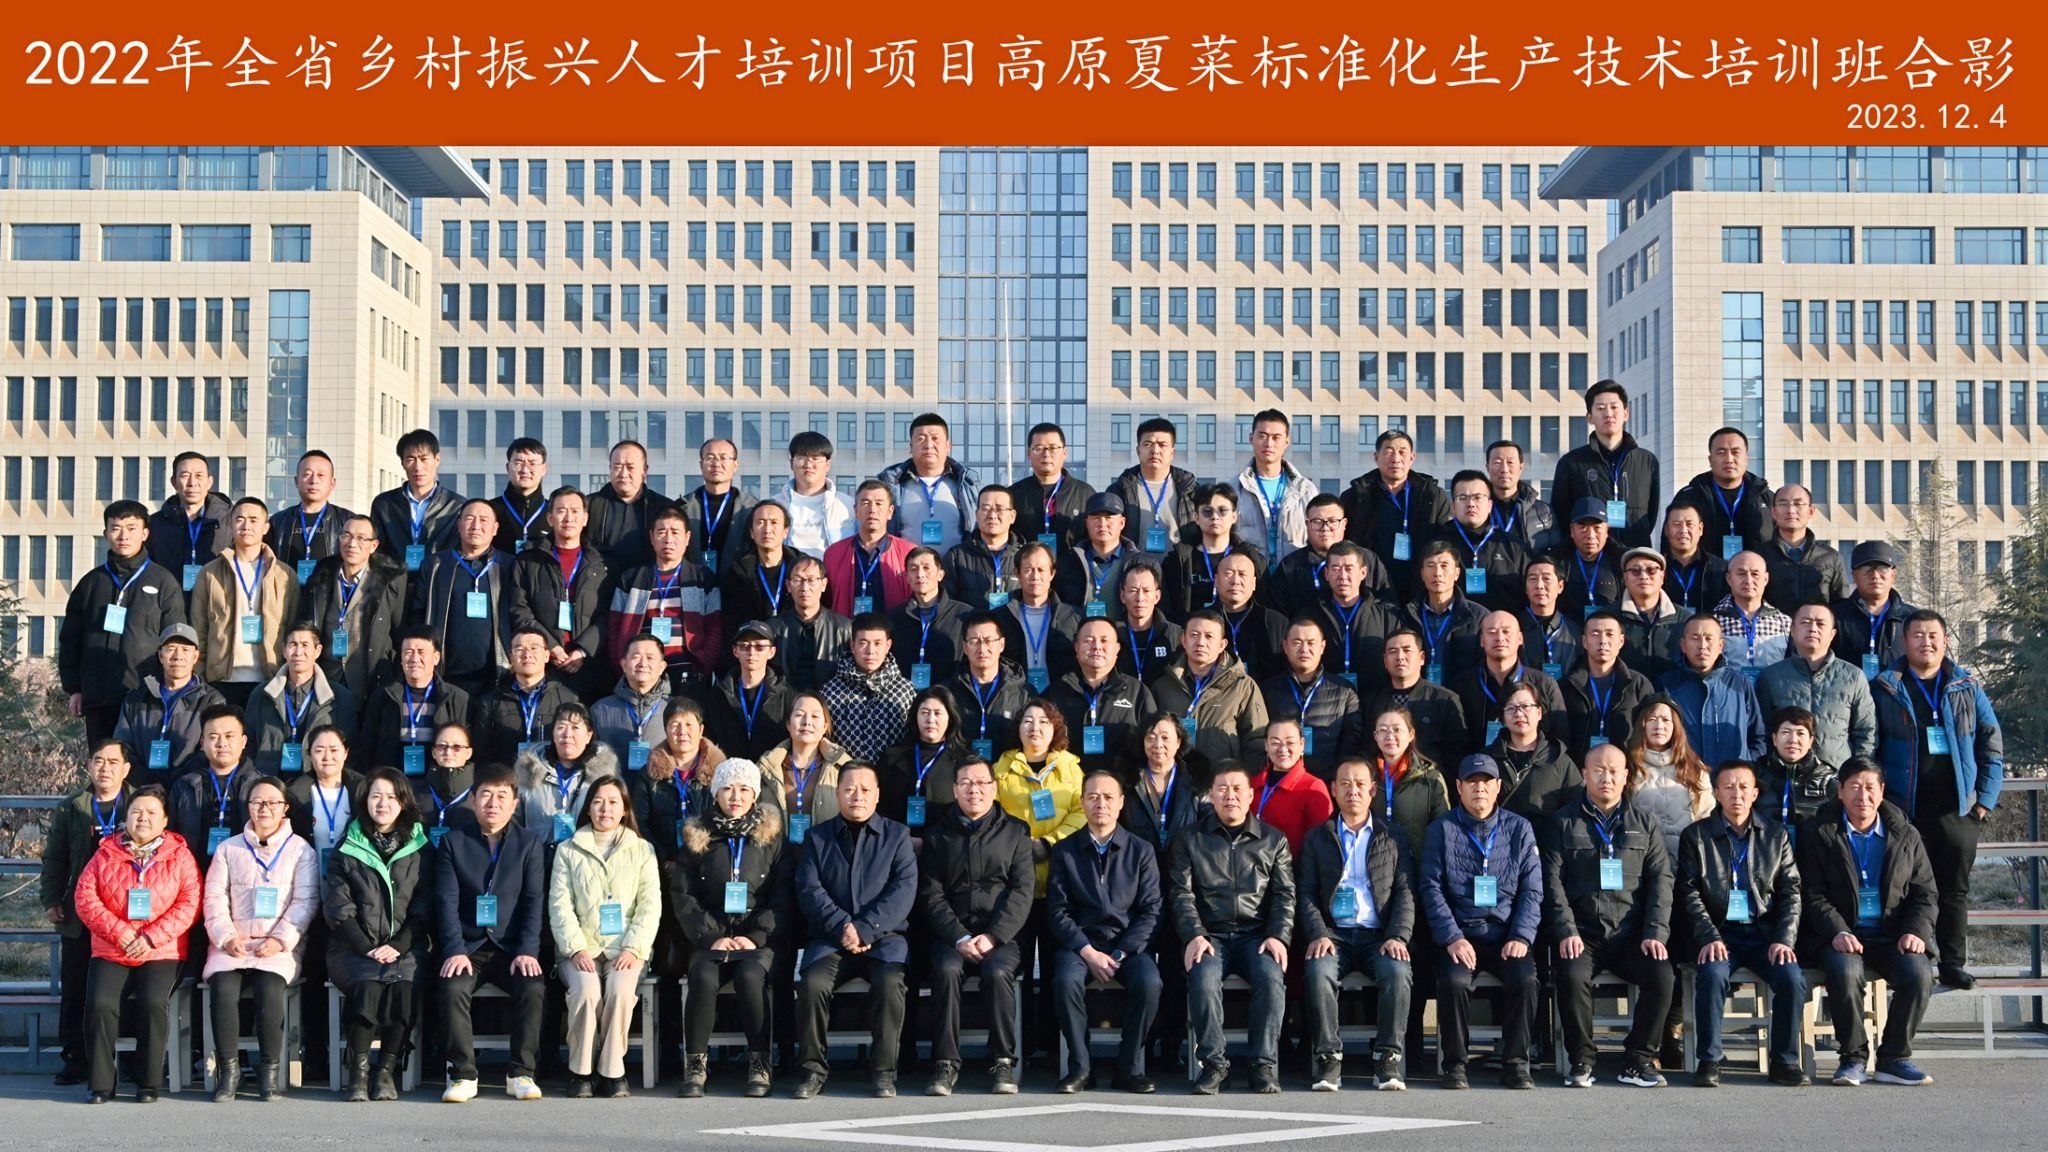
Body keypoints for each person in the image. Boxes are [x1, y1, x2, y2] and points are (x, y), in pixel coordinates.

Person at [1871, 609, 2003, 989]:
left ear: (1945, 641)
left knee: (1953, 890)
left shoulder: (1966, 687)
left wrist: (1984, 801)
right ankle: (1905, 963)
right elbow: (1872, 746)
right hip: (1902, 809)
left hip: (1957, 809)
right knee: (1901, 887)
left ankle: (1952, 963)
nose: (1925, 642)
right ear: (1904, 641)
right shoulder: (1886, 687)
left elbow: (1991, 744)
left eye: (1933, 636)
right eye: (1917, 635)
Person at [1796, 758, 1939, 1087]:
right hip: (1841, 935)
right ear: (1840, 791)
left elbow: (1925, 893)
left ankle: (1894, 1058)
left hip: (1892, 934)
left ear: (1882, 791)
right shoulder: (1818, 832)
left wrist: (1915, 931)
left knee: (1919, 975)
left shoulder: (1905, 834)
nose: (1863, 795)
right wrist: (1837, 931)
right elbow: (1811, 893)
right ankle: (1853, 1058)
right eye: (1854, 787)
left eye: (1870, 787)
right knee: (1846, 972)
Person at [1543, 743, 1676, 1089]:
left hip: (1631, 935)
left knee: (1662, 976)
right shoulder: (1563, 822)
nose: (1607, 777)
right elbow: (1552, 883)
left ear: (1626, 776)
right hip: (1583, 934)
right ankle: (1582, 1059)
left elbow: (1661, 882)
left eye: (1614, 771)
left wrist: (1655, 933)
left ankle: (1638, 1059)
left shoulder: (1644, 824)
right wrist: (1566, 931)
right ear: (1584, 774)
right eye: (1599, 770)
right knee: (1571, 974)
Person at [1677, 759, 1809, 1087]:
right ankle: (1709, 1060)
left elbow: (1791, 891)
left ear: (1755, 794)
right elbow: (1689, 893)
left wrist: (1784, 939)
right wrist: (1708, 937)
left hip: (1765, 933)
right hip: (1720, 933)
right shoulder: (1696, 836)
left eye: (1744, 787)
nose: (1737, 794)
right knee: (1712, 974)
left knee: (1792, 979)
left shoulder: (1776, 835)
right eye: (1729, 787)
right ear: (1717, 793)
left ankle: (1785, 1062)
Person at [792, 763, 919, 1099]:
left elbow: (903, 891)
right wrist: (842, 927)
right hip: (830, 939)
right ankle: (812, 1069)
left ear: (877, 795)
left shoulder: (897, 836)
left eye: (865, 789)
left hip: (884, 939)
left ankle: (883, 1071)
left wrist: (864, 929)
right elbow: (809, 889)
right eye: (849, 789)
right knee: (812, 985)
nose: (857, 796)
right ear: (837, 794)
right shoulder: (817, 838)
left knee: (891, 983)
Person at [1168, 763, 1295, 1094]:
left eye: (1238, 789)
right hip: (1211, 936)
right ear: (1211, 795)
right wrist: (1194, 934)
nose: (1230, 796)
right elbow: (1181, 894)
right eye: (1222, 789)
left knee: (1271, 978)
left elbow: (1284, 895)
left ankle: (1262, 1064)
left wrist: (1278, 935)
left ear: (1251, 795)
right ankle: (1214, 1065)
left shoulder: (1273, 840)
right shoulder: (1190, 839)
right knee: (1204, 978)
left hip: (1256, 936)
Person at [1418, 754, 1543, 1090]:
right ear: (1458, 787)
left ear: (1498, 786)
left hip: (1506, 935)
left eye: (1487, 782)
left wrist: (1521, 936)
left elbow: (1532, 890)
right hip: (1461, 935)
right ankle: (1455, 1065)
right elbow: (1431, 889)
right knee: (1454, 981)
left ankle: (1515, 1063)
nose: (1480, 789)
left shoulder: (1519, 829)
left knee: (1526, 979)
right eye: (1472, 782)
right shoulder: (1441, 829)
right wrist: (1452, 937)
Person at [75, 784, 201, 1104]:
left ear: (165, 820)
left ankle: (148, 1082)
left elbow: (190, 903)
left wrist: (150, 937)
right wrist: (120, 933)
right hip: (112, 947)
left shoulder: (180, 856)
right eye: (136, 812)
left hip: (161, 950)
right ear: (126, 817)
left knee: (151, 1001)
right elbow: (86, 898)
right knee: (100, 1004)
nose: (142, 818)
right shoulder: (105, 853)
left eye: (151, 813)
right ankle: (101, 1083)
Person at [670, 757, 788, 1098]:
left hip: (756, 939)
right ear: (715, 794)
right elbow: (684, 895)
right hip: (711, 938)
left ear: (755, 795)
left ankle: (759, 1062)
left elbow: (782, 894)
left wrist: (755, 936)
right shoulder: (697, 837)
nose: (736, 796)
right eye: (728, 788)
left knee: (750, 977)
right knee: (703, 977)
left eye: (744, 789)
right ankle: (695, 1065)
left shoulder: (771, 838)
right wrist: (712, 937)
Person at [920, 756, 1036, 1095]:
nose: (975, 790)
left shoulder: (1015, 831)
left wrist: (994, 936)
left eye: (982, 782)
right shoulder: (937, 835)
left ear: (994, 788)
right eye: (966, 783)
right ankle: (945, 1063)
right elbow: (931, 895)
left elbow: (1022, 890)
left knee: (998, 973)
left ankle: (1002, 1061)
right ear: (955, 790)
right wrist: (959, 936)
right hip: (952, 935)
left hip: (1003, 937)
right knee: (946, 970)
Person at [1298, 758, 1416, 1092]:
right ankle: (1328, 1057)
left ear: (1372, 790)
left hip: (1378, 935)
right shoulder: (1317, 838)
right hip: (1333, 935)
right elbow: (1305, 892)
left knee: (1398, 972)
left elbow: (1406, 892)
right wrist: (1318, 933)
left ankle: (1387, 1056)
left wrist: (1397, 936)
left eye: (1360, 784)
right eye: (1345, 784)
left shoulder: (1392, 837)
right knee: (1318, 971)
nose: (1353, 791)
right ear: (1333, 790)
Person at [202, 774, 321, 1101]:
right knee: (223, 989)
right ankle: (230, 1071)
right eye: (257, 802)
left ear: (285, 808)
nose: (264, 808)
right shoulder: (229, 848)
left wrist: (280, 940)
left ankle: (269, 1071)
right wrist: (226, 937)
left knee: (269, 989)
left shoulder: (300, 850)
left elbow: (305, 901)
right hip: (233, 944)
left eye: (272, 802)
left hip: (277, 946)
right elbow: (214, 898)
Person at [435, 763, 550, 1103]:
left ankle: (521, 1073)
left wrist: (527, 950)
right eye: (485, 794)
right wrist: (455, 949)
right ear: (472, 800)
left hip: (511, 947)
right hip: (469, 947)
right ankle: (462, 1074)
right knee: (452, 987)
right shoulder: (453, 842)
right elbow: (446, 901)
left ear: (515, 803)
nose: (493, 803)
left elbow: (534, 902)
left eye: (502, 796)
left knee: (533, 987)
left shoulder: (529, 844)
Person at [1047, 769, 1164, 1093]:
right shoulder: (1065, 851)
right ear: (1082, 802)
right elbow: (1058, 911)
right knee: (1064, 981)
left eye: (1109, 797)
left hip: (1127, 946)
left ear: (1121, 802)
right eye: (1093, 797)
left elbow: (1151, 911)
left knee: (1150, 982)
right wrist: (1088, 952)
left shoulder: (1141, 850)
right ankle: (1081, 1068)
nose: (1101, 804)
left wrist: (1121, 953)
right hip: (1081, 946)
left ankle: (1129, 1067)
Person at [548, 776, 662, 1098]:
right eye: (598, 802)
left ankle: (613, 1071)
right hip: (580, 949)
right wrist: (575, 948)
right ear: (588, 808)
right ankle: (580, 1071)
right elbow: (559, 905)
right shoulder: (568, 849)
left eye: (613, 802)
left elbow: (650, 905)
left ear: (625, 809)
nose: (605, 809)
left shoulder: (642, 850)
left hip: (626, 949)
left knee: (620, 990)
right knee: (585, 990)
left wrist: (634, 948)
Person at [323, 767, 431, 1102]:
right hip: (352, 947)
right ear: (365, 801)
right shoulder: (347, 847)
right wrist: (367, 947)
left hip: (405, 947)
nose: (383, 803)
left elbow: (425, 906)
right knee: (368, 987)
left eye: (391, 797)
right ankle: (358, 1074)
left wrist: (398, 945)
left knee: (402, 987)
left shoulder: (420, 846)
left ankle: (386, 1070)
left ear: (403, 802)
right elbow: (338, 906)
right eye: (376, 796)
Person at [993, 702, 1088, 1060]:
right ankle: (1020, 1045)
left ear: (1056, 728)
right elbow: (993, 815)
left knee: (1053, 967)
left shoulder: (1071, 768)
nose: (1035, 727)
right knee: (1013, 966)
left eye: (1044, 721)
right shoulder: (1002, 768)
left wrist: (1050, 842)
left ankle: (1052, 1047)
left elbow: (1082, 812)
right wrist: (1021, 847)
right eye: (1028, 721)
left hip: (1060, 883)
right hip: (1015, 885)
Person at [42, 739, 134, 1086]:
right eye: (98, 761)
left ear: (126, 769)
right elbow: (55, 858)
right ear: (88, 766)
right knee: (75, 988)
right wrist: (51, 898)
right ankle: (75, 1057)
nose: (105, 768)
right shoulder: (72, 807)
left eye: (113, 762)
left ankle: (127, 1059)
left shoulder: (139, 804)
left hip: (126, 913)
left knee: (122, 989)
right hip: (81, 913)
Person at [62, 500, 189, 743]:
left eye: (131, 528)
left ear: (145, 533)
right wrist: (74, 688)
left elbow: (175, 641)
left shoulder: (163, 581)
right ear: (105, 534)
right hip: (99, 696)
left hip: (147, 697)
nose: (123, 536)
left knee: (139, 763)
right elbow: (70, 639)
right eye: (116, 528)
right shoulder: (91, 583)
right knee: (103, 761)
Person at [602, 504, 724, 694]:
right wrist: (621, 662)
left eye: (675, 532)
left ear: (687, 538)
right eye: (661, 532)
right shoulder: (632, 578)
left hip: (688, 672)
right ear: (652, 537)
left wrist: (704, 663)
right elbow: (614, 627)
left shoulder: (702, 578)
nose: (668, 539)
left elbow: (714, 627)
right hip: (643, 673)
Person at [191, 496, 300, 707]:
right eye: (239, 519)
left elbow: (292, 626)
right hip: (221, 680)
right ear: (231, 525)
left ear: (265, 527)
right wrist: (201, 675)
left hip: (270, 679)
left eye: (253, 520)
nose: (246, 525)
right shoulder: (210, 573)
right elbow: (199, 628)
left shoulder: (284, 575)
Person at [509, 487, 611, 701]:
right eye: (561, 511)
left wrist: (582, 650)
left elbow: (607, 615)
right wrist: (550, 646)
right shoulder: (528, 561)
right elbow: (520, 609)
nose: (568, 518)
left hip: (590, 667)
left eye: (575, 511)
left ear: (585, 518)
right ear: (550, 518)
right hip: (543, 664)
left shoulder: (601, 564)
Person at [409, 499, 512, 700]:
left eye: (483, 520)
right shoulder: (435, 565)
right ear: (459, 525)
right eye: (469, 519)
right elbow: (417, 616)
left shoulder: (509, 566)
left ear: (495, 528)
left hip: (496, 677)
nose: (476, 526)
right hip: (446, 676)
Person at [1756, 602, 1879, 770]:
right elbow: (1761, 731)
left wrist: (1856, 772)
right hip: (1785, 776)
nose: (1813, 629)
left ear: (1833, 634)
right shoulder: (1771, 676)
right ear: (1792, 630)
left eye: (1820, 624)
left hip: (1837, 775)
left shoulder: (1853, 677)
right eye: (1805, 622)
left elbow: (1866, 731)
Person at [298, 514, 405, 703]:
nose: (352, 543)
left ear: (373, 546)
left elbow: (399, 632)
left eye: (361, 538)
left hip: (369, 678)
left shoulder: (390, 581)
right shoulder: (322, 574)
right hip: (327, 676)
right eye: (346, 535)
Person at [1150, 611, 1269, 778]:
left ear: (1222, 644)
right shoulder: (1163, 687)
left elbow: (1256, 741)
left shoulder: (1242, 687)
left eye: (1209, 636)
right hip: (1174, 783)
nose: (1200, 642)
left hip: (1222, 784)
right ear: (1183, 640)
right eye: (1194, 635)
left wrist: (1241, 782)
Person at [1342, 428, 1452, 599]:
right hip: (1371, 586)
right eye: (1388, 452)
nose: (1396, 458)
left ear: (1412, 458)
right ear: (1376, 457)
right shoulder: (1356, 496)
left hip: (1420, 586)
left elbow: (1443, 543)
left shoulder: (1432, 496)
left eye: (1402, 452)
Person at [1551, 379, 1661, 549]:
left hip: (1634, 554)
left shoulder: (1647, 461)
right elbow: (1561, 515)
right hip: (1592, 555)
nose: (1608, 414)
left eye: (1614, 407)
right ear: (1590, 417)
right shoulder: (1572, 463)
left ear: (1626, 413)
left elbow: (1651, 514)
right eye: (1601, 408)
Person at [112, 623, 224, 785]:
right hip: (142, 789)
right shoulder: (135, 699)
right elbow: (122, 747)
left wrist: (179, 783)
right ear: (160, 656)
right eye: (170, 649)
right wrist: (146, 783)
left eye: (185, 650)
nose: (178, 656)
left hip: (189, 788)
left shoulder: (212, 701)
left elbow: (211, 750)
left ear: (195, 657)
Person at [1045, 617, 1154, 777]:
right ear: (1076, 647)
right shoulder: (1056, 693)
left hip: (1122, 787)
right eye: (1089, 641)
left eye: (1104, 641)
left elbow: (1152, 741)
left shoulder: (1137, 692)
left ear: (1117, 649)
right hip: (1069, 787)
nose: (1097, 647)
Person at [245, 623, 357, 776]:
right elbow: (248, 744)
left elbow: (349, 748)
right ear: (284, 650)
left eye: (305, 645)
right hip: (268, 780)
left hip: (315, 780)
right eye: (293, 644)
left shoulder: (339, 696)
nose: (298, 652)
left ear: (317, 651)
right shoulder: (262, 694)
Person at [358, 627, 472, 776]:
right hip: (394, 782)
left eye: (421, 652)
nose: (414, 659)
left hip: (439, 782)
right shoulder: (383, 697)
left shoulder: (456, 699)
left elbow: (465, 751)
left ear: (436, 658)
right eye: (408, 652)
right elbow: (366, 748)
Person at [1659, 615, 1768, 772]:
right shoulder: (1668, 685)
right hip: (1686, 779)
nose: (1702, 646)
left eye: (1709, 638)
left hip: (1732, 782)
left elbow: (1758, 736)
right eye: (1695, 638)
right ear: (1683, 645)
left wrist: (1748, 768)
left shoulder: (1739, 683)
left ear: (1720, 645)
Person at [1260, 618, 1362, 782]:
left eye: (1311, 643)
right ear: (1285, 646)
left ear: (1322, 647)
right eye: (1297, 642)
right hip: (1280, 782)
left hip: (1327, 782)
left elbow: (1352, 740)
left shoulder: (1344, 691)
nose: (1304, 649)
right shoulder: (1268, 690)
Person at [1453, 611, 1569, 751]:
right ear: (1482, 641)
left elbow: (1560, 738)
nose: (1499, 638)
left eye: (1506, 632)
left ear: (1520, 638)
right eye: (1492, 632)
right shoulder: (1461, 685)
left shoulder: (1544, 684)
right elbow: (1455, 741)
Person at [630, 697, 726, 860]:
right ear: (665, 730)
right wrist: (663, 860)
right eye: (675, 725)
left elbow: (727, 820)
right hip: (661, 863)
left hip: (709, 861)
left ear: (701, 730)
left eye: (689, 724)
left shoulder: (721, 773)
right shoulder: (649, 774)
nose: (682, 731)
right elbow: (640, 824)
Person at [516, 703, 623, 845]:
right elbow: (514, 823)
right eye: (561, 727)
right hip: (538, 855)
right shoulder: (528, 772)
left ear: (588, 735)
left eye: (575, 728)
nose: (567, 734)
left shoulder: (605, 776)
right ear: (553, 734)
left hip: (587, 855)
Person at [1366, 626, 1471, 769]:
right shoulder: (1371, 701)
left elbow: (1457, 752)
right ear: (1385, 661)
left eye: (1407, 650)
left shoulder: (1445, 700)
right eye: (1393, 651)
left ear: (1421, 658)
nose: (1400, 657)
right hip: (1383, 779)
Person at [169, 705, 260, 870]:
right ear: (202, 743)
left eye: (229, 736)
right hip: (194, 874)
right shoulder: (184, 786)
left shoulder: (260, 786)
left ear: (243, 742)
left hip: (247, 873)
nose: (221, 743)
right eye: (213, 737)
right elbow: (171, 838)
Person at [1626, 697, 1716, 859]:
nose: (1659, 726)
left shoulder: (1694, 767)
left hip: (1687, 859)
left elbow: (1706, 815)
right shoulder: (1628, 766)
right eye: (1652, 719)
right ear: (1641, 725)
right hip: (1643, 860)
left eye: (1666, 720)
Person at [1161, 483, 1267, 622]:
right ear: (1196, 517)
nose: (1215, 517)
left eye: (1222, 511)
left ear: (1234, 516)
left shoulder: (1250, 559)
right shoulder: (1178, 561)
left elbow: (1263, 603)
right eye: (1207, 511)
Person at [477, 626, 581, 767]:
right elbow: (482, 752)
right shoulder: (491, 701)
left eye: (534, 648)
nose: (527, 654)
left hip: (552, 776)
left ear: (546, 655)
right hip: (507, 777)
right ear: (511, 657)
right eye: (519, 649)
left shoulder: (567, 699)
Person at [821, 613, 919, 762]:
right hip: (844, 773)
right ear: (852, 646)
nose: (870, 651)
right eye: (863, 643)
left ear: (888, 646)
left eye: (877, 643)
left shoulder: (905, 691)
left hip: (894, 773)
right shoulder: (830, 692)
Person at [1563, 611, 1657, 756]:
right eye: (1595, 634)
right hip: (1578, 767)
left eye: (1609, 634)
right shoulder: (1567, 685)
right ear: (1584, 641)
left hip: (1627, 766)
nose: (1603, 641)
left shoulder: (1638, 684)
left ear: (1621, 641)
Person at [1273, 494, 1390, 611]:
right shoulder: (1291, 566)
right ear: (1307, 525)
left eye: (1332, 521)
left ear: (1344, 524)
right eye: (1317, 521)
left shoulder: (1367, 559)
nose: (1325, 528)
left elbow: (1387, 604)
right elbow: (1279, 613)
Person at [882, 413, 978, 555]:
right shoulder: (892, 485)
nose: (928, 445)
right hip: (906, 567)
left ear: (948, 445)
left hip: (955, 568)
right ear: (911, 446)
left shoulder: (967, 484)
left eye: (935, 438)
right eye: (921, 439)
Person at [760, 692, 855, 836]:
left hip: (826, 849)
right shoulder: (766, 767)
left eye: (815, 716)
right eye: (799, 715)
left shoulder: (843, 767)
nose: (807, 722)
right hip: (777, 850)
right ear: (788, 724)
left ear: (825, 726)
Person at [370, 429, 465, 572]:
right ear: (402, 463)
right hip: (394, 580)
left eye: (424, 459)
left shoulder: (456, 506)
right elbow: (377, 550)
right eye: (410, 459)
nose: (418, 467)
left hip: (437, 580)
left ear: (437, 460)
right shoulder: (384, 504)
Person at [1488, 683, 1583, 825]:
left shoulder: (1558, 760)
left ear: (1539, 712)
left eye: (1525, 706)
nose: (1519, 714)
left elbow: (1576, 811)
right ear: (1503, 716)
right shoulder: (1488, 759)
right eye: (1511, 708)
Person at [1437, 470, 1530, 614]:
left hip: (1500, 626)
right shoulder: (1437, 544)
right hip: (1452, 625)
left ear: (1490, 505)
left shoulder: (1512, 547)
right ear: (1453, 506)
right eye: (1463, 498)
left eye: (1477, 497)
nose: (1471, 504)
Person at [1365, 707, 1453, 851]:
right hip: (1375, 859)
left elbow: (1443, 829)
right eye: (1383, 730)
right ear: (1375, 736)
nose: (1390, 736)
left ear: (1411, 734)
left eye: (1397, 729)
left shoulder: (1430, 778)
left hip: (1417, 860)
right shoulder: (1365, 777)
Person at [948, 612, 1033, 761]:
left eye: (989, 641)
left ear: (1001, 644)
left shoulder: (1025, 693)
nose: (982, 648)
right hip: (961, 772)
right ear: (965, 648)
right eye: (974, 641)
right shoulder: (949, 692)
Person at [1232, 410, 1315, 561]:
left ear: (1286, 442)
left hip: (1294, 572)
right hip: (1250, 572)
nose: (1269, 444)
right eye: (1262, 436)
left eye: (1276, 437)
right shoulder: (1234, 488)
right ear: (1251, 438)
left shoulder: (1305, 490)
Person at [707, 620, 795, 762]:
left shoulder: (788, 696)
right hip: (730, 772)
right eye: (744, 646)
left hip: (771, 771)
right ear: (735, 651)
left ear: (771, 652)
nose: (752, 652)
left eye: (760, 647)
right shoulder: (717, 695)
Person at [1401, 541, 1488, 685]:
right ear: (1422, 574)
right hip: (1419, 693)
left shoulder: (1478, 616)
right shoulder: (1408, 615)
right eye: (1431, 566)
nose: (1437, 573)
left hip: (1463, 694)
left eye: (1444, 566)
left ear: (1457, 573)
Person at [824, 480, 916, 618]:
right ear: (856, 511)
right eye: (865, 503)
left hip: (894, 629)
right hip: (847, 629)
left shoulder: (908, 553)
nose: (872, 510)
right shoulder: (834, 554)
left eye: (879, 503)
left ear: (890, 511)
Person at [878, 687, 967, 827]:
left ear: (950, 717)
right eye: (925, 713)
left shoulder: (963, 761)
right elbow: (882, 807)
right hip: (898, 837)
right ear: (915, 716)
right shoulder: (892, 757)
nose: (930, 720)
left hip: (944, 837)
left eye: (937, 713)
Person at [1108, 416, 1198, 554]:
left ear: (1172, 453)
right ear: (1138, 450)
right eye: (1148, 444)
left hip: (1180, 566)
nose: (1155, 450)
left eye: (1162, 445)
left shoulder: (1190, 490)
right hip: (1133, 565)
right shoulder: (1120, 490)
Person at [146, 452, 231, 597]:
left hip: (215, 604)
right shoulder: (155, 524)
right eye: (185, 475)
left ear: (209, 481)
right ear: (173, 482)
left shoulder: (229, 522)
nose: (192, 483)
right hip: (170, 604)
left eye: (199, 476)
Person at [762, 555, 852, 692]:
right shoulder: (773, 629)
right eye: (797, 580)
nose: (804, 587)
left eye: (811, 580)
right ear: (788, 586)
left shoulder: (844, 629)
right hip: (786, 701)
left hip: (829, 701)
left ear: (823, 584)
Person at [998, 542, 1080, 690]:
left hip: (1060, 695)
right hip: (1015, 695)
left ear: (1052, 573)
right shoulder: (1002, 617)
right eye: (1028, 570)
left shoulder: (1073, 617)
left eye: (1041, 570)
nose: (1035, 576)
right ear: (1017, 574)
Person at [1684, 428, 1774, 561]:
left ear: (1746, 459)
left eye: (1735, 452)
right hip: (1705, 573)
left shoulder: (1766, 498)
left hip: (1753, 573)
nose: (1729, 459)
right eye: (1721, 453)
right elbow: (1671, 542)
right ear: (1710, 459)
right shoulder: (1689, 497)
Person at [268, 450, 355, 585]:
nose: (314, 481)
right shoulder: (278, 521)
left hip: (332, 595)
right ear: (297, 481)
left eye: (321, 475)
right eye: (307, 474)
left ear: (332, 483)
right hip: (287, 594)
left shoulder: (348, 521)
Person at [1757, 485, 1848, 614]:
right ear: (1773, 512)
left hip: (1815, 626)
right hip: (1772, 626)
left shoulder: (1831, 557)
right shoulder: (1759, 557)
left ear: (1811, 511)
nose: (1791, 510)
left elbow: (1842, 605)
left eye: (1798, 504)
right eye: (1783, 504)